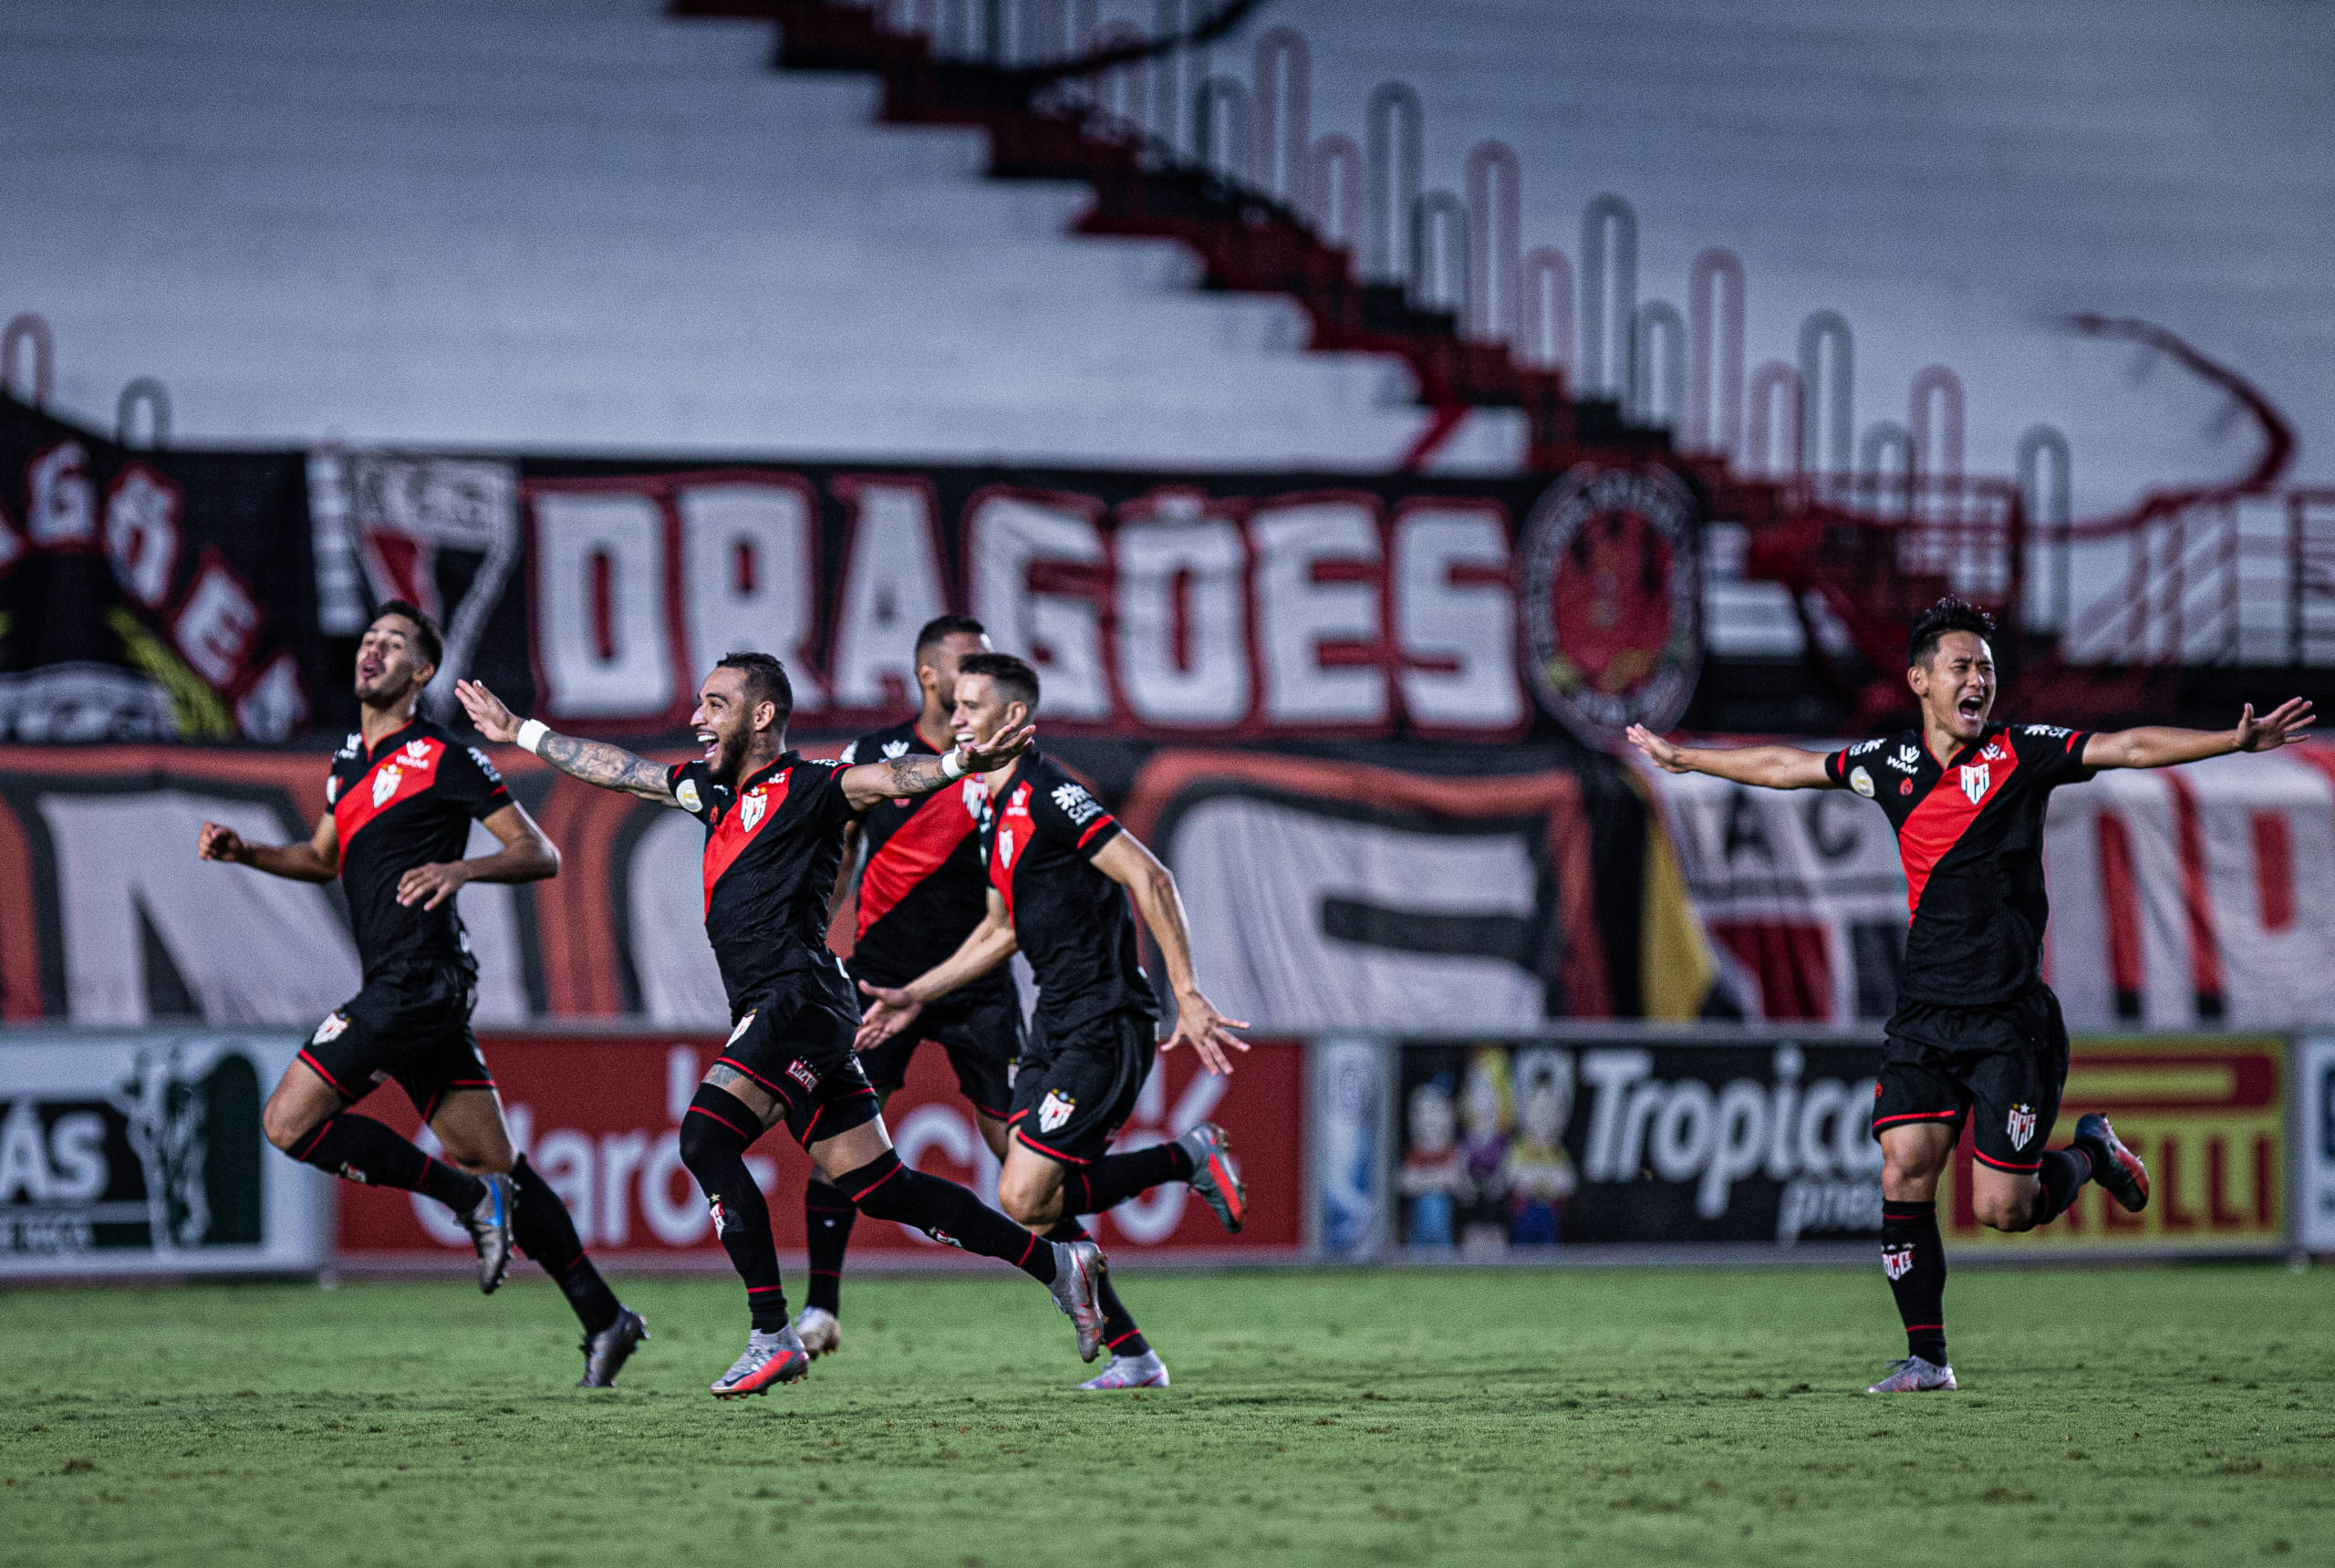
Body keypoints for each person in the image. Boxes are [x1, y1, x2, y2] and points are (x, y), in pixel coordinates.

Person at [1627, 597, 2315, 1393]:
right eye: (1962, 666)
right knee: (1904, 1168)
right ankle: (1927, 1359)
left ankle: (2091, 1152)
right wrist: (1689, 760)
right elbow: (1788, 767)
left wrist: (2232, 740)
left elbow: (2125, 746)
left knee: (2003, 1209)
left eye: (1986, 668)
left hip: (2009, 1021)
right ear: (1920, 680)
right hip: (1924, 1015)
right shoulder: (1889, 765)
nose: (1978, 681)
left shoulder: (2023, 753)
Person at [454, 651, 1106, 1398]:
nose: (697, 718)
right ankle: (1059, 1264)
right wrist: (524, 731)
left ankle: (771, 1334)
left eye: (716, 703)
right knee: (883, 1187)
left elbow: (889, 779)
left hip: (795, 1001)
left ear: (762, 715)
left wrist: (959, 763)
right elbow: (624, 770)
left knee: (705, 1137)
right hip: (794, 1007)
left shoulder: (809, 785)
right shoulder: (711, 791)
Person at [199, 601, 646, 1387]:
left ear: (423, 671)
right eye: (369, 639)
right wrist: (248, 853)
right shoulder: (348, 762)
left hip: (420, 979)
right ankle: (605, 1316)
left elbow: (539, 852)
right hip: (405, 985)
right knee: (500, 1163)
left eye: (393, 642)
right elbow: (322, 857)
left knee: (287, 1122)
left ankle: (463, 1199)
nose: (372, 650)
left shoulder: (442, 756)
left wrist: (460, 868)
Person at [856, 652, 1251, 1390]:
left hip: (1106, 1017)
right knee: (1034, 1203)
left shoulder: (1050, 793)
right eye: (954, 703)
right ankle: (1135, 1355)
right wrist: (916, 993)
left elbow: (1150, 874)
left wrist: (1188, 992)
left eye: (971, 706)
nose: (955, 717)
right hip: (1053, 1022)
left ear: (1014, 718)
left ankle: (1187, 1158)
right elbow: (1001, 930)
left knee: (1022, 1194)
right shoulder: (992, 807)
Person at [794, 615, 1022, 1358]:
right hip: (882, 978)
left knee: (1025, 1165)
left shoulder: (1005, 757)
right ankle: (820, 1309)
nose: (978, 673)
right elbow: (838, 858)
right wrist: (808, 945)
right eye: (966, 662)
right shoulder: (873, 756)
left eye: (986, 662)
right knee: (840, 1145)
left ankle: (1099, 1308)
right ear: (928, 674)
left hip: (977, 981)